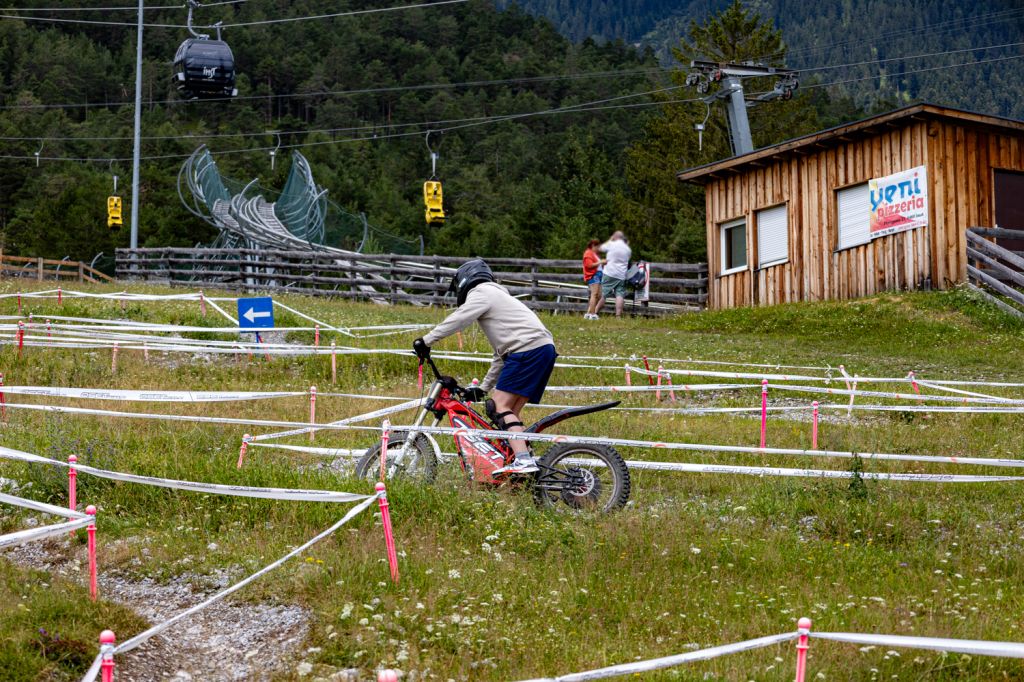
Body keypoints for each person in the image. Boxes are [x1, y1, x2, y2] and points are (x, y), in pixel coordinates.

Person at [413, 259, 558, 474]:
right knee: (509, 412)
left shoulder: (482, 293)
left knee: (500, 405)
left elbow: (459, 319)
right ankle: (520, 459)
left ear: (464, 280)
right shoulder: (499, 296)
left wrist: (426, 340)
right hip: (542, 349)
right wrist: (483, 387)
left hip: (528, 349)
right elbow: (501, 354)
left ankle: (523, 460)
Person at [599, 231, 632, 317]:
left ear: (615, 237)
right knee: (619, 295)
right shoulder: (627, 249)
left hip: (610, 272)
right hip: (621, 275)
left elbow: (601, 248)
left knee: (603, 294)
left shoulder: (611, 244)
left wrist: (610, 239)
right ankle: (618, 316)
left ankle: (594, 312)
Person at [582, 239, 604, 320]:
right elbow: (589, 265)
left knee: (599, 295)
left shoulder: (594, 254)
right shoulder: (588, 253)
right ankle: (592, 314)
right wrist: (600, 262)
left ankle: (588, 313)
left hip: (598, 275)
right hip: (593, 275)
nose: (598, 248)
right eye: (597, 247)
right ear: (593, 246)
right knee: (594, 294)